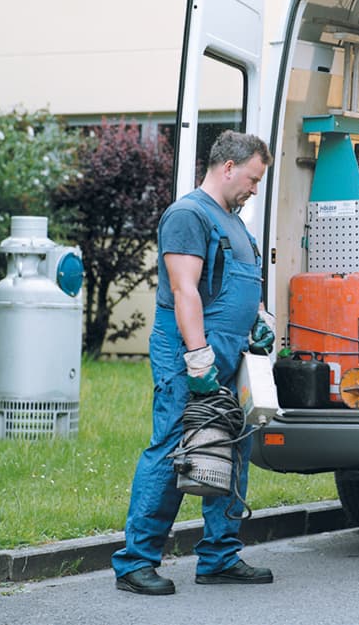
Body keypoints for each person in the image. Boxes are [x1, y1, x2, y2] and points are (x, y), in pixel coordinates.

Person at [112, 130, 275, 595]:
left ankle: (220, 557)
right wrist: (199, 358)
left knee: (232, 445)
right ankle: (135, 563)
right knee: (172, 447)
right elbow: (185, 291)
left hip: (229, 349)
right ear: (228, 168)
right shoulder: (188, 215)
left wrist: (258, 320)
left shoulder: (233, 221)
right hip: (189, 351)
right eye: (252, 178)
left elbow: (236, 286)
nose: (254, 189)